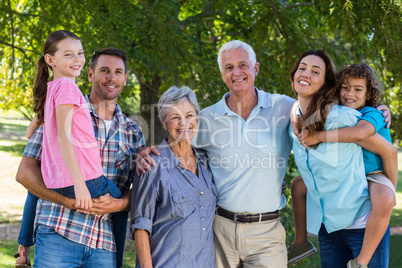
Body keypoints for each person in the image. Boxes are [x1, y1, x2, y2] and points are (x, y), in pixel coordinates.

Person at [15, 47, 145, 267]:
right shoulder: (65, 110)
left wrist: (118, 204)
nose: (112, 77)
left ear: (124, 78)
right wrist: (68, 201)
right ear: (91, 74)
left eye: (118, 72)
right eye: (104, 70)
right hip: (59, 232)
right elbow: (25, 173)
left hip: (104, 244)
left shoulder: (133, 132)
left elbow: (141, 190)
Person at [289, 50, 391, 268]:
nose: (349, 93)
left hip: (364, 213)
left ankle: (361, 261)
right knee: (297, 184)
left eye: (315, 71)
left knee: (384, 197)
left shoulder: (349, 118)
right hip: (330, 227)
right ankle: (300, 241)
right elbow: (296, 107)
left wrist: (389, 185)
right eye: (302, 68)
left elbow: (387, 150)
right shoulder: (299, 114)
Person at [130, 86, 216, 267]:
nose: (184, 123)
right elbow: (140, 227)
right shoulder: (151, 164)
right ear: (163, 122)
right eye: (175, 117)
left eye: (189, 115)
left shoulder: (207, 161)